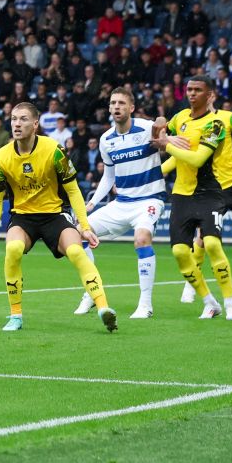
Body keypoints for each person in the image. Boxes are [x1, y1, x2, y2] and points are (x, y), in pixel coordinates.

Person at [0, 102, 117, 333]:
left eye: (23, 119)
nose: (16, 123)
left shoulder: (54, 150)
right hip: (23, 218)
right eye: (13, 119)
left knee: (76, 251)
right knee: (13, 249)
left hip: (55, 214)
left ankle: (104, 308)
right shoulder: (0, 158)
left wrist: (84, 226)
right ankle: (15, 315)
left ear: (36, 124)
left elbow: (73, 190)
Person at [74, 89, 166, 319]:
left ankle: (145, 304)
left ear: (131, 108)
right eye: (113, 103)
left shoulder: (147, 128)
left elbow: (165, 134)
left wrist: (162, 123)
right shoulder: (106, 140)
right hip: (122, 202)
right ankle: (92, 292)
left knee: (142, 238)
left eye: (122, 103)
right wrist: (93, 203)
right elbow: (108, 176)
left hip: (149, 200)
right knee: (79, 234)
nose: (117, 107)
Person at [158, 75, 232, 321]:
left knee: (212, 244)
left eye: (198, 90)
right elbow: (159, 131)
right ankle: (209, 302)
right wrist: (163, 132)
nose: (192, 93)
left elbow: (196, 159)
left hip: (208, 193)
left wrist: (166, 144)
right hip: (181, 195)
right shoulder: (179, 118)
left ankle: (230, 303)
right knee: (180, 252)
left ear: (209, 94)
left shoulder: (215, 125)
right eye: (189, 89)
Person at [171, 91, 232, 302]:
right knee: (203, 238)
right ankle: (192, 282)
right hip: (209, 189)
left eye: (201, 92)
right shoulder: (190, 122)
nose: (196, 96)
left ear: (211, 95)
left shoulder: (229, 118)